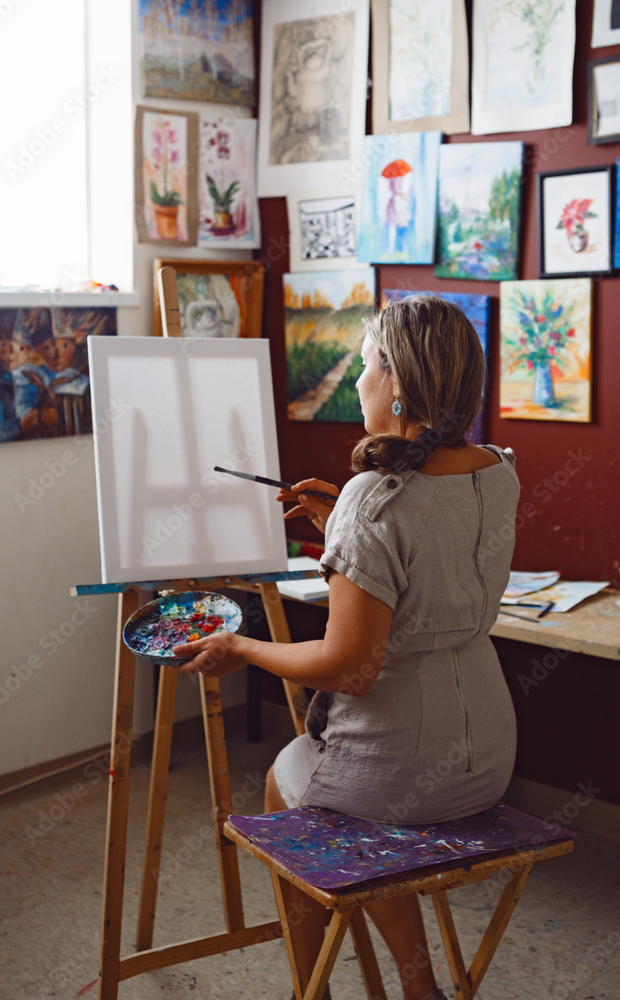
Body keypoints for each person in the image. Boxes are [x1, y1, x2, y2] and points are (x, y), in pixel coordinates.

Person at [175, 296, 520, 1000]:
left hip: (399, 765)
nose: (359, 381)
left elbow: (347, 668)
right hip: (488, 755)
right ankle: (417, 983)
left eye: (365, 365)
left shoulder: (376, 499)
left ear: (395, 380)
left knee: (287, 784)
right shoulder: (495, 469)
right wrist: (345, 528)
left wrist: (244, 646)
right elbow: (430, 556)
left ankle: (315, 989)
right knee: (350, 804)